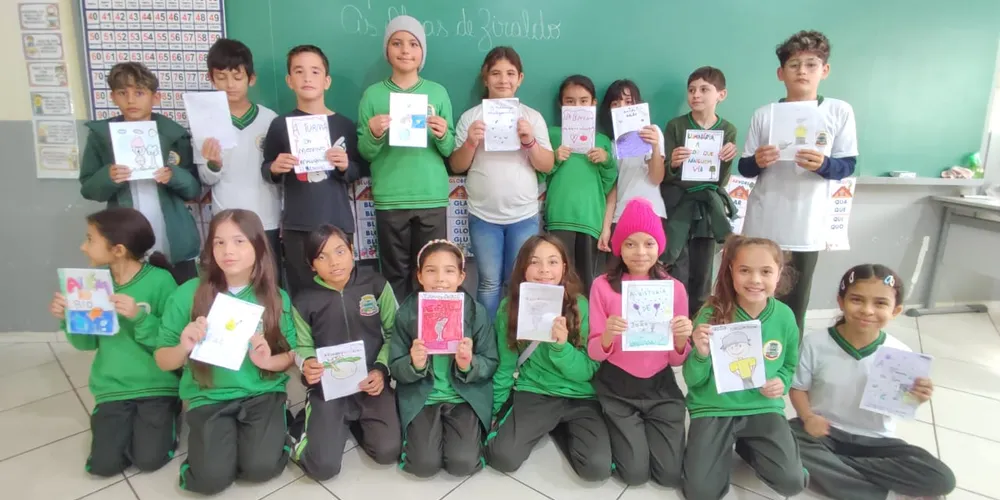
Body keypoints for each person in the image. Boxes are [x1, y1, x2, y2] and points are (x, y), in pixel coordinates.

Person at [155, 209, 298, 495]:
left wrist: (268, 360)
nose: (227, 251)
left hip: (261, 393)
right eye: (219, 242)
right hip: (209, 396)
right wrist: (184, 347)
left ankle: (280, 423)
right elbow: (162, 360)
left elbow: (292, 356)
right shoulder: (187, 294)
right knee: (210, 480)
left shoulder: (275, 298)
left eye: (238, 241)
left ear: (258, 246)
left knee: (261, 469)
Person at [790, 264, 956, 500]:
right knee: (780, 439)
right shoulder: (815, 343)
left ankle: (837, 469)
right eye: (857, 300)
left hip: (877, 442)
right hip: (822, 433)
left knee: (941, 477)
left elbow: (899, 403)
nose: (867, 310)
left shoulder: (900, 353)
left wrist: (916, 397)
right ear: (841, 301)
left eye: (880, 303)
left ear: (896, 310)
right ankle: (884, 493)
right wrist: (808, 417)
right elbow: (798, 388)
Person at [737, 30, 858, 335]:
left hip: (807, 225)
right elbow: (744, 167)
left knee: (794, 304)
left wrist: (825, 164)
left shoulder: (838, 111)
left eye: (811, 64)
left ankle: (786, 369)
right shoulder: (765, 114)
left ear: (824, 70)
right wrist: (758, 161)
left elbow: (848, 164)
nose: (802, 71)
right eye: (794, 65)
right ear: (781, 73)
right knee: (753, 297)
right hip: (763, 223)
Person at [48, 207, 181, 477]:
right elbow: (87, 344)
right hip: (113, 388)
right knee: (102, 465)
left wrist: (139, 316)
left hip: (156, 386)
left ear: (118, 249)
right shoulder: (92, 284)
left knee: (149, 460)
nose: (82, 247)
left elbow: (173, 342)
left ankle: (170, 414)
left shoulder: (160, 281)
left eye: (90, 239)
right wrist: (68, 318)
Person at [682, 234, 804, 500]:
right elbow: (692, 380)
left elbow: (789, 365)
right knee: (700, 493)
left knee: (792, 482)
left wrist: (781, 381)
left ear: (779, 273)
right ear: (731, 271)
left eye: (766, 271)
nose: (755, 280)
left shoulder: (784, 317)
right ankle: (727, 444)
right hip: (713, 406)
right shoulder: (711, 313)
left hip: (761, 406)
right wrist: (701, 354)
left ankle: (749, 446)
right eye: (745, 271)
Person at [486, 235, 611, 481]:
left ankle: (559, 427)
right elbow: (506, 365)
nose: (544, 270)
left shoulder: (581, 306)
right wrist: (495, 411)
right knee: (502, 457)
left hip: (579, 395)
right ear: (523, 268)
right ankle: (547, 422)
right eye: (535, 262)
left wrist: (561, 347)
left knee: (597, 469)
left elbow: (587, 370)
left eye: (553, 262)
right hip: (534, 391)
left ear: (564, 267)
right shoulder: (509, 308)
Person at [588, 198, 693, 486]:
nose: (640, 252)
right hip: (617, 386)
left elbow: (676, 360)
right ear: (619, 246)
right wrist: (608, 333)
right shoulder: (602, 286)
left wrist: (682, 340)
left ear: (659, 246)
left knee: (669, 476)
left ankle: (647, 429)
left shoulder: (674, 289)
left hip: (660, 387)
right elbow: (595, 352)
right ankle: (617, 427)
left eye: (648, 243)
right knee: (634, 475)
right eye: (630, 244)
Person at [289, 224, 402, 480]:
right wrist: (307, 361)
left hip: (370, 383)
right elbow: (302, 346)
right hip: (328, 389)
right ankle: (298, 425)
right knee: (323, 468)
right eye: (322, 257)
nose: (334, 262)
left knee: (388, 450)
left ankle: (354, 423)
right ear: (311, 265)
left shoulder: (376, 284)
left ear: (353, 251)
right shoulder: (304, 300)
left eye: (340, 251)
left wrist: (382, 370)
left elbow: (395, 333)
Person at [450, 46, 552, 320]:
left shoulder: (532, 117)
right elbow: (457, 165)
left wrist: (529, 141)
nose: (502, 79)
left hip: (524, 214)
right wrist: (471, 141)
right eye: (495, 73)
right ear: (485, 79)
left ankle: (514, 342)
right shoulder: (471, 117)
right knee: (489, 283)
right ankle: (488, 344)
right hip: (484, 215)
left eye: (509, 73)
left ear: (520, 78)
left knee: (518, 283)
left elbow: (547, 164)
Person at [357, 15, 455, 301]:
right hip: (391, 198)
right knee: (394, 275)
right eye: (397, 43)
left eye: (413, 44)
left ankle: (430, 338)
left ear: (422, 51)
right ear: (387, 50)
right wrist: (374, 133)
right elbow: (365, 151)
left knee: (433, 273)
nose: (405, 50)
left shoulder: (437, 93)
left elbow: (449, 149)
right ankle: (398, 336)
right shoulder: (373, 95)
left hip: (431, 198)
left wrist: (441, 133)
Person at [79, 61, 201, 284]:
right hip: (125, 237)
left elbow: (193, 188)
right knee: (132, 297)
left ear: (155, 97)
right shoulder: (101, 136)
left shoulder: (174, 135)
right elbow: (88, 188)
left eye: (139, 92)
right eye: (122, 93)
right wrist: (108, 177)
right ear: (113, 97)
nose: (131, 100)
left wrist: (173, 176)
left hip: (171, 237)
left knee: (180, 300)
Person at [388, 240, 498, 477]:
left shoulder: (475, 312)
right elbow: (395, 366)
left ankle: (464, 437)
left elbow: (491, 362)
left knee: (464, 463)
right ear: (419, 276)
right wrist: (414, 365)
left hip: (464, 396)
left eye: (449, 271)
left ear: (461, 276)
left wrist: (469, 364)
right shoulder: (407, 313)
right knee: (423, 465)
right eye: (431, 270)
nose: (440, 279)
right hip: (423, 396)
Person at [261, 45, 364, 298]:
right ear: (289, 80)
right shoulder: (279, 125)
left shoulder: (344, 124)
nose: (307, 78)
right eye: (299, 71)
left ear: (327, 81)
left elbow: (359, 170)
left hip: (337, 221)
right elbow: (266, 168)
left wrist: (344, 166)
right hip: (298, 224)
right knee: (303, 292)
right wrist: (274, 168)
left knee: (341, 290)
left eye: (315, 72)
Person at [197, 38, 282, 281]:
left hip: (266, 218)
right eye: (221, 77)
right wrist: (213, 164)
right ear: (211, 79)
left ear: (251, 78)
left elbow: (277, 174)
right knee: (230, 285)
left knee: (268, 283)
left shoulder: (270, 120)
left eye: (237, 76)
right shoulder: (205, 122)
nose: (229, 85)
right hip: (225, 221)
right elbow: (205, 177)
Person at [661, 67, 739, 317]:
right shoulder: (676, 126)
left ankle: (696, 330)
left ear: (721, 95)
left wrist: (727, 159)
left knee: (703, 273)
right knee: (676, 268)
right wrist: (673, 163)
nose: (696, 95)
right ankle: (674, 327)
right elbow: (664, 173)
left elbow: (721, 181)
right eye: (692, 90)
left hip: (707, 208)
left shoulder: (728, 129)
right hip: (678, 205)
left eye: (704, 89)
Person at [547, 75, 617, 291]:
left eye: (583, 101)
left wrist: (606, 161)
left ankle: (584, 323)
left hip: (590, 221)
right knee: (557, 280)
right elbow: (542, 174)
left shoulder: (603, 141)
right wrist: (555, 159)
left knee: (587, 282)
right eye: (570, 101)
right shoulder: (552, 134)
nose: (577, 106)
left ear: (593, 104)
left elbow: (608, 184)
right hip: (559, 217)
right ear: (561, 105)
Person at [597, 80, 666, 264]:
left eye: (628, 102)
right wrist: (605, 228)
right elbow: (613, 190)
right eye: (615, 103)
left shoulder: (653, 132)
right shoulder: (610, 145)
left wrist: (655, 146)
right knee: (617, 276)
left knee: (647, 274)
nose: (622, 107)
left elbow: (656, 177)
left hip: (651, 212)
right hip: (621, 215)